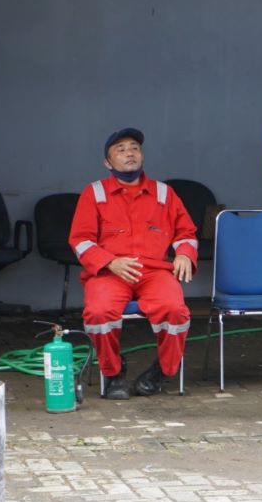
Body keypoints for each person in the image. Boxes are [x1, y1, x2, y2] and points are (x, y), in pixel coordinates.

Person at [69, 128, 198, 400]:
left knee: (175, 310)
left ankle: (162, 370)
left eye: (134, 148)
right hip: (110, 272)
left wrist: (185, 254)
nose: (129, 153)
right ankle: (113, 372)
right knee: (99, 313)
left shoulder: (164, 193)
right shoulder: (94, 193)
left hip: (154, 272)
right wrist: (109, 262)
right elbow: (80, 240)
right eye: (120, 149)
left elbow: (186, 232)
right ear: (107, 163)